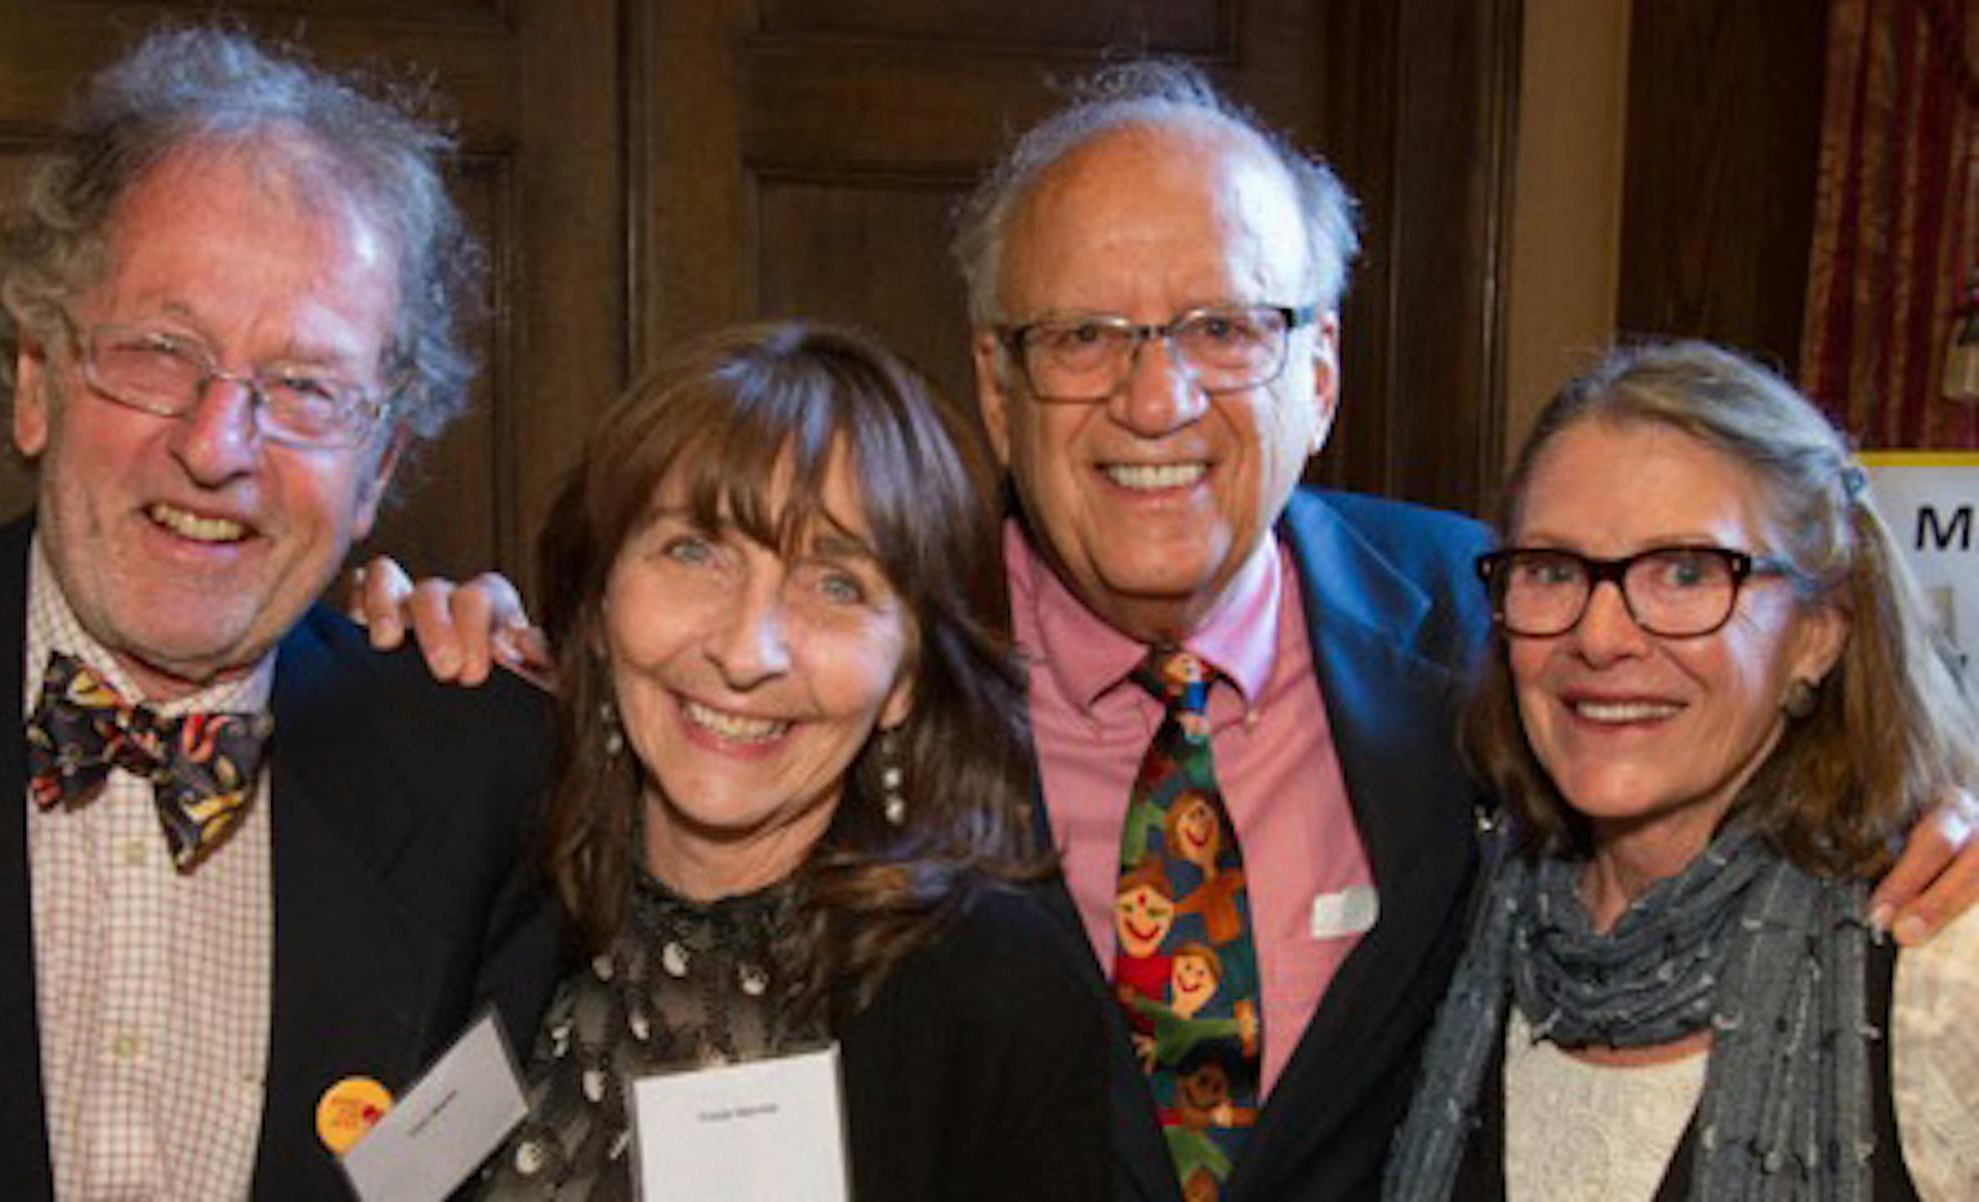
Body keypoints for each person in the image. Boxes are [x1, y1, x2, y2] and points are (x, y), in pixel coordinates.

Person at [357, 60, 1979, 1202]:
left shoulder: (1502, 625)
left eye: (1224, 326)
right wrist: (449, 641)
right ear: (996, 385)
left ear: (1320, 374)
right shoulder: (868, 660)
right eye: (1082, 336)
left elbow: (1722, 687)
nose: (1156, 397)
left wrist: (1936, 806)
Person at [0, 27, 557, 1199]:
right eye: (160, 352)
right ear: (33, 381)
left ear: (377, 466)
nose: (218, 448)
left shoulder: (486, 777)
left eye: (306, 387)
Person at [471, 321, 1109, 1201]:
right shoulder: (488, 887)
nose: (746, 651)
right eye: (694, 552)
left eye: (836, 585)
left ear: (908, 676)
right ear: (599, 600)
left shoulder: (995, 1001)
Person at [1385, 341, 1979, 1200]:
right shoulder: (1470, 920)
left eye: (1687, 573)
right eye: (1553, 571)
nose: (1601, 635)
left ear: (1819, 632)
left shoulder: (1939, 962)